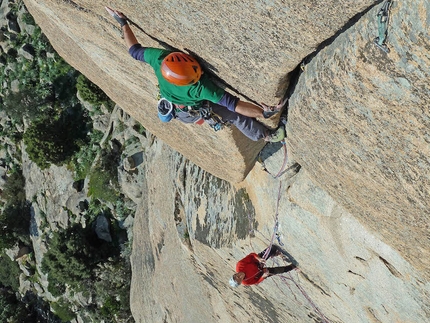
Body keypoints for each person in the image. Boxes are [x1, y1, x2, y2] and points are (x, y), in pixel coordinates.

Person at [106, 7, 286, 142]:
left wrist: (122, 23)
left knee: (220, 114)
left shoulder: (159, 60)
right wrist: (263, 113)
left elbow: (134, 51)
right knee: (234, 117)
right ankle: (267, 136)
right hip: (189, 110)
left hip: (182, 108)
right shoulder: (200, 88)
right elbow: (234, 105)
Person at [229, 245, 297, 287]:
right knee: (277, 271)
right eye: (240, 279)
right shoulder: (246, 282)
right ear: (241, 282)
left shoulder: (240, 265)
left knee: (272, 248)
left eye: (237, 276)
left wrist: (259, 259)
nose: (240, 276)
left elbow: (252, 255)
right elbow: (256, 281)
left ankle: (274, 253)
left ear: (235, 274)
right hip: (260, 273)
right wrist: (263, 276)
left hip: (257, 261)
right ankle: (292, 267)